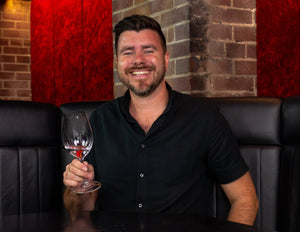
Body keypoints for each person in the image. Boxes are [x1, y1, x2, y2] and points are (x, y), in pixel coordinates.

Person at [63, 15, 259, 225]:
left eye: (148, 50)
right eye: (128, 52)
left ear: (165, 59)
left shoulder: (204, 118)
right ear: (117, 63)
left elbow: (245, 200)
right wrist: (78, 189)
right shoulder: (101, 119)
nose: (138, 59)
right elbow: (81, 213)